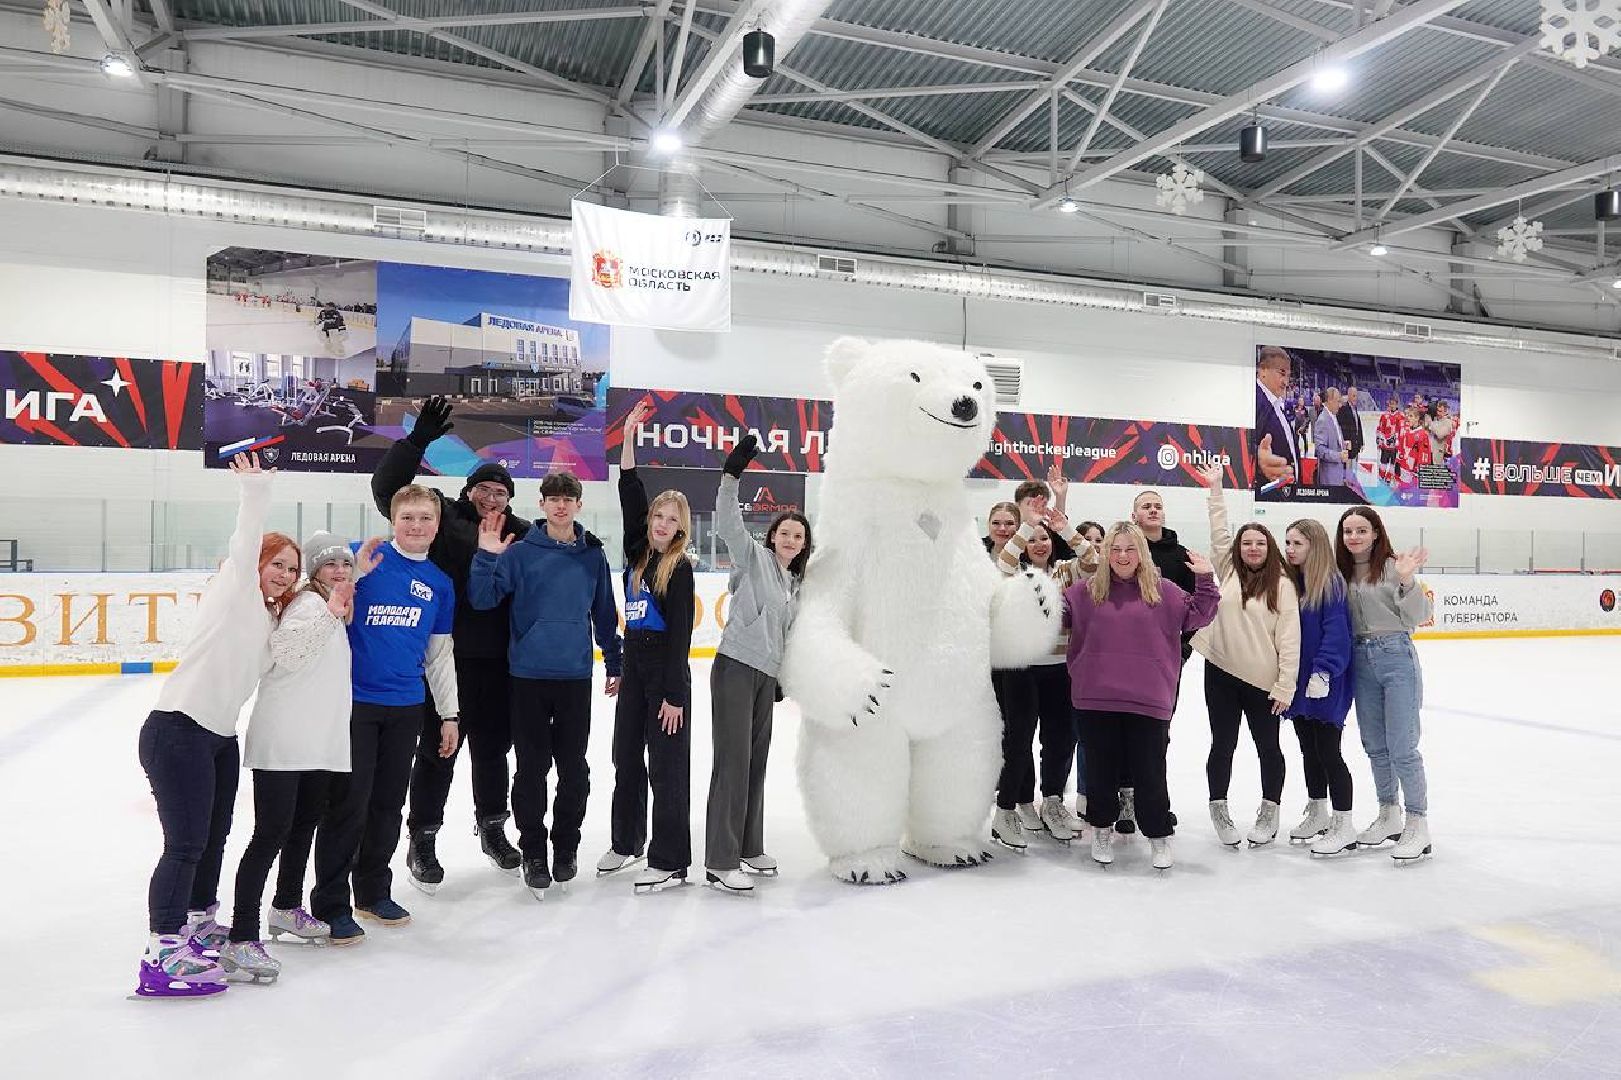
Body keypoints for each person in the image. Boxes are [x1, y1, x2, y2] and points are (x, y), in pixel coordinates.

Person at [136, 454, 295, 998]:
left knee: (213, 839)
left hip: (219, 737)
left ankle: (199, 922)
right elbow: (245, 541)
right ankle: (162, 951)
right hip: (178, 728)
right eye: (278, 563)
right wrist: (256, 491)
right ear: (258, 563)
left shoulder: (272, 618)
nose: (284, 574)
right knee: (184, 844)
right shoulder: (235, 591)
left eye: (292, 570)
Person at [371, 396, 532, 891]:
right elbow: (389, 491)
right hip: (444, 660)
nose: (491, 497)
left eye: (500, 491)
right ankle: (422, 837)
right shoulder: (445, 521)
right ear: (468, 490)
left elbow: (564, 545)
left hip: (498, 665)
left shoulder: (522, 534)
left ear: (509, 499)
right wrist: (417, 440)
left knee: (491, 753)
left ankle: (492, 829)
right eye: (483, 488)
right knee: (440, 751)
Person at [311, 486, 459, 944]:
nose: (417, 526)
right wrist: (353, 573)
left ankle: (373, 891)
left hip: (406, 707)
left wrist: (450, 714)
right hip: (355, 704)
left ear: (437, 524)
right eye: (408, 517)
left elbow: (439, 655)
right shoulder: (363, 558)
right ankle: (331, 903)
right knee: (347, 804)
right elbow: (315, 592)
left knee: (388, 804)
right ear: (393, 520)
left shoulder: (439, 582)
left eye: (425, 518)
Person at [469, 472, 624, 900]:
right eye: (553, 499)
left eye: (567, 499)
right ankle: (533, 852)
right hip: (528, 677)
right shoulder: (519, 554)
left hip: (574, 677)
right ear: (541, 505)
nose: (560, 506)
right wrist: (486, 555)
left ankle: (565, 847)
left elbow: (605, 614)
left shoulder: (592, 556)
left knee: (574, 769)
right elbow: (483, 599)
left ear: (578, 505)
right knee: (532, 769)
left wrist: (614, 659)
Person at [223, 533, 357, 981]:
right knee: (271, 835)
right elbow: (287, 652)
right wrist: (331, 613)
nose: (339, 571)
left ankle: (285, 906)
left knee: (302, 828)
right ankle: (243, 933)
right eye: (329, 564)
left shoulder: (329, 606)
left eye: (346, 564)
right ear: (315, 572)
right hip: (284, 742)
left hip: (315, 743)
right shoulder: (308, 605)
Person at [1066, 523, 1218, 871]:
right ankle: (1102, 828)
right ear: (1106, 553)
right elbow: (1049, 619)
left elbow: (1202, 613)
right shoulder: (1084, 592)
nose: (1122, 556)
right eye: (1115, 549)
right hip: (1095, 697)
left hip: (1148, 699)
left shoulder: (1164, 591)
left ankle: (1158, 835)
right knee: (1101, 772)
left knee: (1150, 773)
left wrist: (1207, 578)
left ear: (1141, 553)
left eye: (1129, 549)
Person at [704, 435, 810, 892]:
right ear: (772, 537)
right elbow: (728, 523)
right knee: (732, 761)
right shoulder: (754, 560)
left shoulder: (796, 584)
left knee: (756, 761)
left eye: (799, 536)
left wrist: (784, 674)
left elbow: (791, 634)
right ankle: (719, 860)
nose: (790, 539)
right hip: (735, 667)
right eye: (785, 532)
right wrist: (731, 477)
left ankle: (748, 845)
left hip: (766, 676)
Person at [601, 400, 697, 892]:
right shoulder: (638, 554)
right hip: (635, 667)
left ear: (681, 527)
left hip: (665, 675)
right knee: (624, 757)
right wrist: (631, 433)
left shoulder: (679, 569)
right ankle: (627, 842)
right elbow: (629, 487)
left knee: (667, 768)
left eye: (670, 518)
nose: (660, 522)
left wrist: (674, 695)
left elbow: (680, 638)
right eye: (657, 515)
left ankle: (671, 860)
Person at [1191, 463, 1300, 848]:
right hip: (1220, 671)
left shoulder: (1283, 586)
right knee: (1222, 744)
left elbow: (1290, 639)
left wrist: (1285, 685)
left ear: (1268, 549)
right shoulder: (1228, 571)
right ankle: (1219, 808)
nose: (1252, 548)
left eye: (1260, 543)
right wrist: (1216, 489)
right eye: (1247, 543)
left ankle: (1269, 810)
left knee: (1268, 747)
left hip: (1263, 683)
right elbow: (1219, 532)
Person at [1336, 507, 1434, 862]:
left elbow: (1420, 617)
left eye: (1362, 530)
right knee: (1375, 744)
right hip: (1360, 660)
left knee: (1402, 747)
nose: (1355, 537)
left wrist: (1408, 581)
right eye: (1348, 531)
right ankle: (1389, 812)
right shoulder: (1341, 573)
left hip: (1396, 657)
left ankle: (1417, 823)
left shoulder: (1395, 567)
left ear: (1376, 533)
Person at [994, 509, 1095, 842]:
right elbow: (1004, 561)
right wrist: (1026, 524)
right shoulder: (1016, 574)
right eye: (1033, 540)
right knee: (1019, 740)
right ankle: (1006, 809)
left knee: (1060, 740)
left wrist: (1064, 527)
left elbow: (1093, 561)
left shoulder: (1067, 572)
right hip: (1023, 670)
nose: (1039, 544)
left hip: (1061, 671)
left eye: (1044, 539)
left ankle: (1052, 800)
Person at [1280, 519, 1357, 855]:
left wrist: (1323, 671)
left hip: (1326, 681)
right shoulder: (1293, 583)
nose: (1290, 550)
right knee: (1308, 750)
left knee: (1329, 752)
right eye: (1287, 543)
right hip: (1299, 682)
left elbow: (1337, 632)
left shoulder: (1331, 583)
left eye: (1297, 543)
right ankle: (1319, 811)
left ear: (1314, 545)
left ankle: (1344, 824)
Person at [984, 499, 1041, 848]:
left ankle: (1020, 800)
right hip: (980, 661)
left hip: (1017, 658)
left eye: (1010, 522)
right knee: (996, 735)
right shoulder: (973, 558)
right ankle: (999, 800)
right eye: (998, 522)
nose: (1003, 528)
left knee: (1020, 735)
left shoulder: (1025, 560)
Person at [1254, 346, 1300, 497]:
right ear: (1263, 370)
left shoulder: (1276, 404)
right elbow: (1235, 443)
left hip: (1283, 494)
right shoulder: (1254, 399)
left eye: (1288, 376)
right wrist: (1256, 457)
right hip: (1266, 495)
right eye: (1282, 373)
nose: (1286, 382)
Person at [1313, 387, 1349, 489]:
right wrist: (1339, 456)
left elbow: (1333, 442)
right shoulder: (1323, 420)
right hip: (1329, 479)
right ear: (1330, 400)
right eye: (1338, 401)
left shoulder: (1333, 417)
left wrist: (1343, 444)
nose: (1340, 405)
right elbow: (1320, 451)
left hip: (1338, 476)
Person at [1375, 396, 1405, 486]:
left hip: (1395, 446)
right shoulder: (1384, 416)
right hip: (1385, 444)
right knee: (1383, 462)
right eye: (1390, 404)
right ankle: (1381, 477)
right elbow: (1380, 428)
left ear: (1397, 404)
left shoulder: (1401, 416)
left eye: (1394, 404)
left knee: (1393, 463)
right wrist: (1379, 441)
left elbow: (1402, 431)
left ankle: (1389, 477)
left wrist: (1400, 444)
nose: (1392, 406)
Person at [1338, 386, 1365, 475]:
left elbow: (1358, 426)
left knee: (1354, 468)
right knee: (1348, 469)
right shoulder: (1343, 409)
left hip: (1355, 445)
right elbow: (1341, 427)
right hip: (1348, 446)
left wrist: (1361, 442)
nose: (1355, 398)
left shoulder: (1354, 409)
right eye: (1353, 396)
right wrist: (1346, 441)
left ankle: (1352, 483)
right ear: (1348, 396)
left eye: (1356, 396)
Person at [1423, 400, 1457, 466]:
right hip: (1426, 452)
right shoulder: (1432, 419)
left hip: (1437, 454)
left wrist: (1430, 424)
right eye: (1437, 410)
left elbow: (1440, 434)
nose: (1438, 413)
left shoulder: (1448, 422)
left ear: (1445, 411)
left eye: (1440, 411)